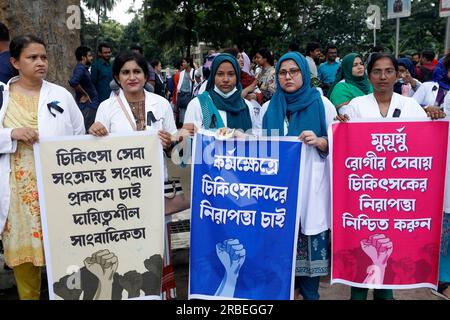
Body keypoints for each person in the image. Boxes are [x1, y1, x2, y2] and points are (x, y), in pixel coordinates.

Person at [338, 53, 445, 299]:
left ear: (397, 75)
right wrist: (340, 127)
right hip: (364, 199)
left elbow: (422, 150)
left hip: (398, 200)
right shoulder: (356, 106)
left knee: (389, 261)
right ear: (369, 75)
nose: (383, 77)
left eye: (388, 71)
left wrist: (433, 118)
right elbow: (347, 151)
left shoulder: (411, 107)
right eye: (377, 71)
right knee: (360, 263)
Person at [0, 35, 85, 300]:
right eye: (32, 57)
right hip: (17, 193)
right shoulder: (2, 97)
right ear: (15, 62)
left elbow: (78, 136)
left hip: (57, 188)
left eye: (44, 57)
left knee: (67, 250)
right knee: (25, 257)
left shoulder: (60, 95)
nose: (40, 63)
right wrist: (12, 133)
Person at [88, 51, 178, 300]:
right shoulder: (106, 107)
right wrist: (94, 131)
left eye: (136, 71)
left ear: (145, 74)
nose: (131, 77)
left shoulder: (160, 103)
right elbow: (97, 149)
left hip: (156, 186)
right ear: (117, 77)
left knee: (158, 243)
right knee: (127, 243)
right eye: (125, 72)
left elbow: (177, 147)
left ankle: (162, 294)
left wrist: (170, 141)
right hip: (121, 193)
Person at [261, 51, 337, 300]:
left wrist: (321, 141)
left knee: (310, 277)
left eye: (294, 71)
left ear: (304, 74)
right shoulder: (267, 109)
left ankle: (311, 294)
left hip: (311, 191)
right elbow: (262, 150)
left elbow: (339, 143)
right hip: (278, 191)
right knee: (281, 266)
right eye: (283, 72)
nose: (288, 76)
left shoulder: (321, 103)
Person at [183, 53, 261, 135]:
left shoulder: (247, 107)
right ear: (213, 76)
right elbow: (189, 140)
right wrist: (220, 134)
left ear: (237, 76)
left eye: (231, 74)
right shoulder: (201, 105)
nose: (226, 79)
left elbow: (256, 140)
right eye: (220, 74)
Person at [69, 46, 99, 132]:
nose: (91, 58)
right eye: (89, 56)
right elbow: (73, 82)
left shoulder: (83, 68)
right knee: (88, 129)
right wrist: (85, 94)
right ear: (83, 57)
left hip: (90, 104)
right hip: (88, 104)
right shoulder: (80, 68)